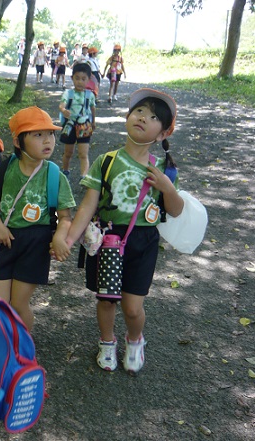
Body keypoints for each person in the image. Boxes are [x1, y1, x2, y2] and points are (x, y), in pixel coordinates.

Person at [58, 88, 183, 375]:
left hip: (143, 241)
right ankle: (106, 343)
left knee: (132, 308)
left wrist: (166, 187)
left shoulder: (164, 168)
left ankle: (135, 340)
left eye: (153, 117)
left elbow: (175, 210)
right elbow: (88, 205)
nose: (142, 118)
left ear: (162, 134)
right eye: (139, 111)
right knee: (106, 298)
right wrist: (68, 238)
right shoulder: (107, 161)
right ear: (128, 117)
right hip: (109, 239)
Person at [0, 107, 75, 331]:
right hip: (6, 240)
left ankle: (23, 351)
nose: (48, 141)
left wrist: (60, 237)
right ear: (18, 140)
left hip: (35, 245)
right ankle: (1, 347)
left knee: (18, 304)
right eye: (38, 135)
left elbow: (65, 217)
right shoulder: (6, 169)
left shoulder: (54, 175)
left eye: (50, 134)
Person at [59, 62, 97, 180]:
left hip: (85, 125)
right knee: (68, 152)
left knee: (83, 153)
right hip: (70, 125)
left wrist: (93, 122)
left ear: (88, 79)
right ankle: (65, 172)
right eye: (77, 78)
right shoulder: (68, 93)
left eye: (83, 79)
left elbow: (92, 108)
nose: (80, 82)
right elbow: (62, 105)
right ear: (72, 78)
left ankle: (84, 176)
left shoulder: (90, 95)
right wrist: (63, 110)